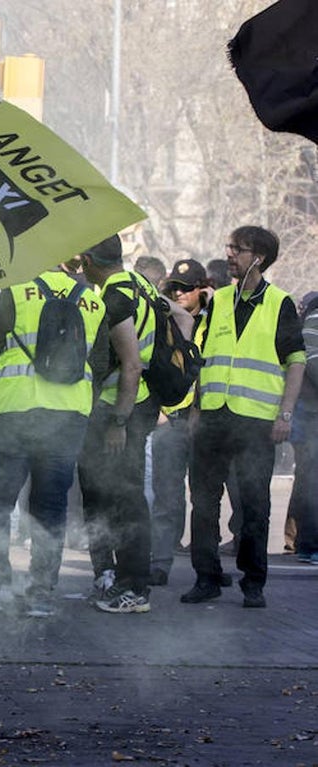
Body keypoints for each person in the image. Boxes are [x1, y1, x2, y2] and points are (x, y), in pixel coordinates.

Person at [0, 262, 108, 618]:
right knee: (51, 507)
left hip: (17, 412)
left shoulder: (17, 291)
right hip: (69, 415)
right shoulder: (93, 302)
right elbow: (101, 362)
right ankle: (41, 594)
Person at [182, 226, 305, 608]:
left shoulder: (280, 303)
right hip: (214, 417)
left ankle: (254, 582)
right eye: (230, 247)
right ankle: (207, 577)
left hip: (256, 420)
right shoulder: (218, 302)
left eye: (239, 249)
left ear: (260, 258)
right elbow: (204, 359)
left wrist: (284, 414)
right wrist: (196, 409)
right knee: (203, 502)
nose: (230, 253)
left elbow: (296, 362)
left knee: (254, 505)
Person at [77, 235, 161, 614]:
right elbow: (177, 316)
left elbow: (131, 364)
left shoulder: (115, 297)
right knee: (113, 496)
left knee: (126, 500)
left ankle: (134, 589)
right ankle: (118, 581)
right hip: (135, 406)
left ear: (89, 260)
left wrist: (119, 422)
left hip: (121, 411)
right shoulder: (141, 284)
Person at [149, 259, 210, 585]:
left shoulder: (217, 319)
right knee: (166, 497)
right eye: (174, 287)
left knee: (204, 499)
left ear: (202, 288)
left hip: (206, 421)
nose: (180, 293)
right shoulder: (166, 322)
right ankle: (160, 562)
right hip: (171, 419)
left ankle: (207, 570)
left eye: (187, 288)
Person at [288, 291, 318, 564]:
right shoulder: (315, 317)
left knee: (309, 479)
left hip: (307, 413)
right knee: (311, 480)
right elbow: (313, 363)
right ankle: (309, 543)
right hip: (309, 415)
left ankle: (305, 542)